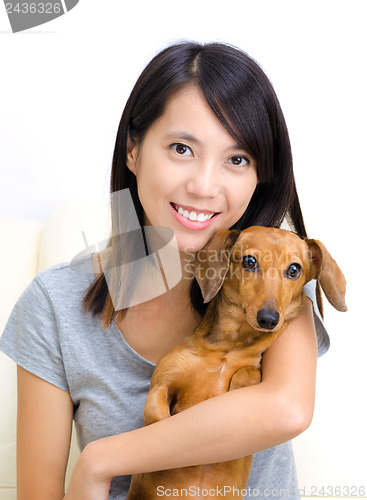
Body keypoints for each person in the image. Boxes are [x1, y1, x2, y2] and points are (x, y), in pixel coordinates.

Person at [0, 41, 329, 500]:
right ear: (132, 151)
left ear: (260, 176)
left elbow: (288, 408)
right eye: (181, 148)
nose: (203, 185)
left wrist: (102, 460)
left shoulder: (275, 291)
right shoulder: (54, 305)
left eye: (237, 159)